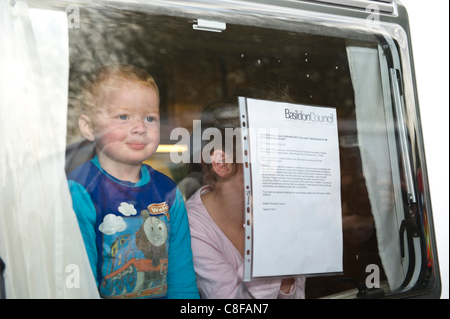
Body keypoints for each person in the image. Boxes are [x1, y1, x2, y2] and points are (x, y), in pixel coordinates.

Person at [67, 64, 199, 299]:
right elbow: (76, 284)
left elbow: (181, 277)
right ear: (88, 127)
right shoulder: (80, 191)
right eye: (123, 116)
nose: (139, 128)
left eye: (150, 118)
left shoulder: (168, 191)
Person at [185, 87, 306, 298]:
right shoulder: (193, 227)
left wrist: (287, 274)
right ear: (223, 164)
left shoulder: (282, 210)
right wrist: (268, 244)